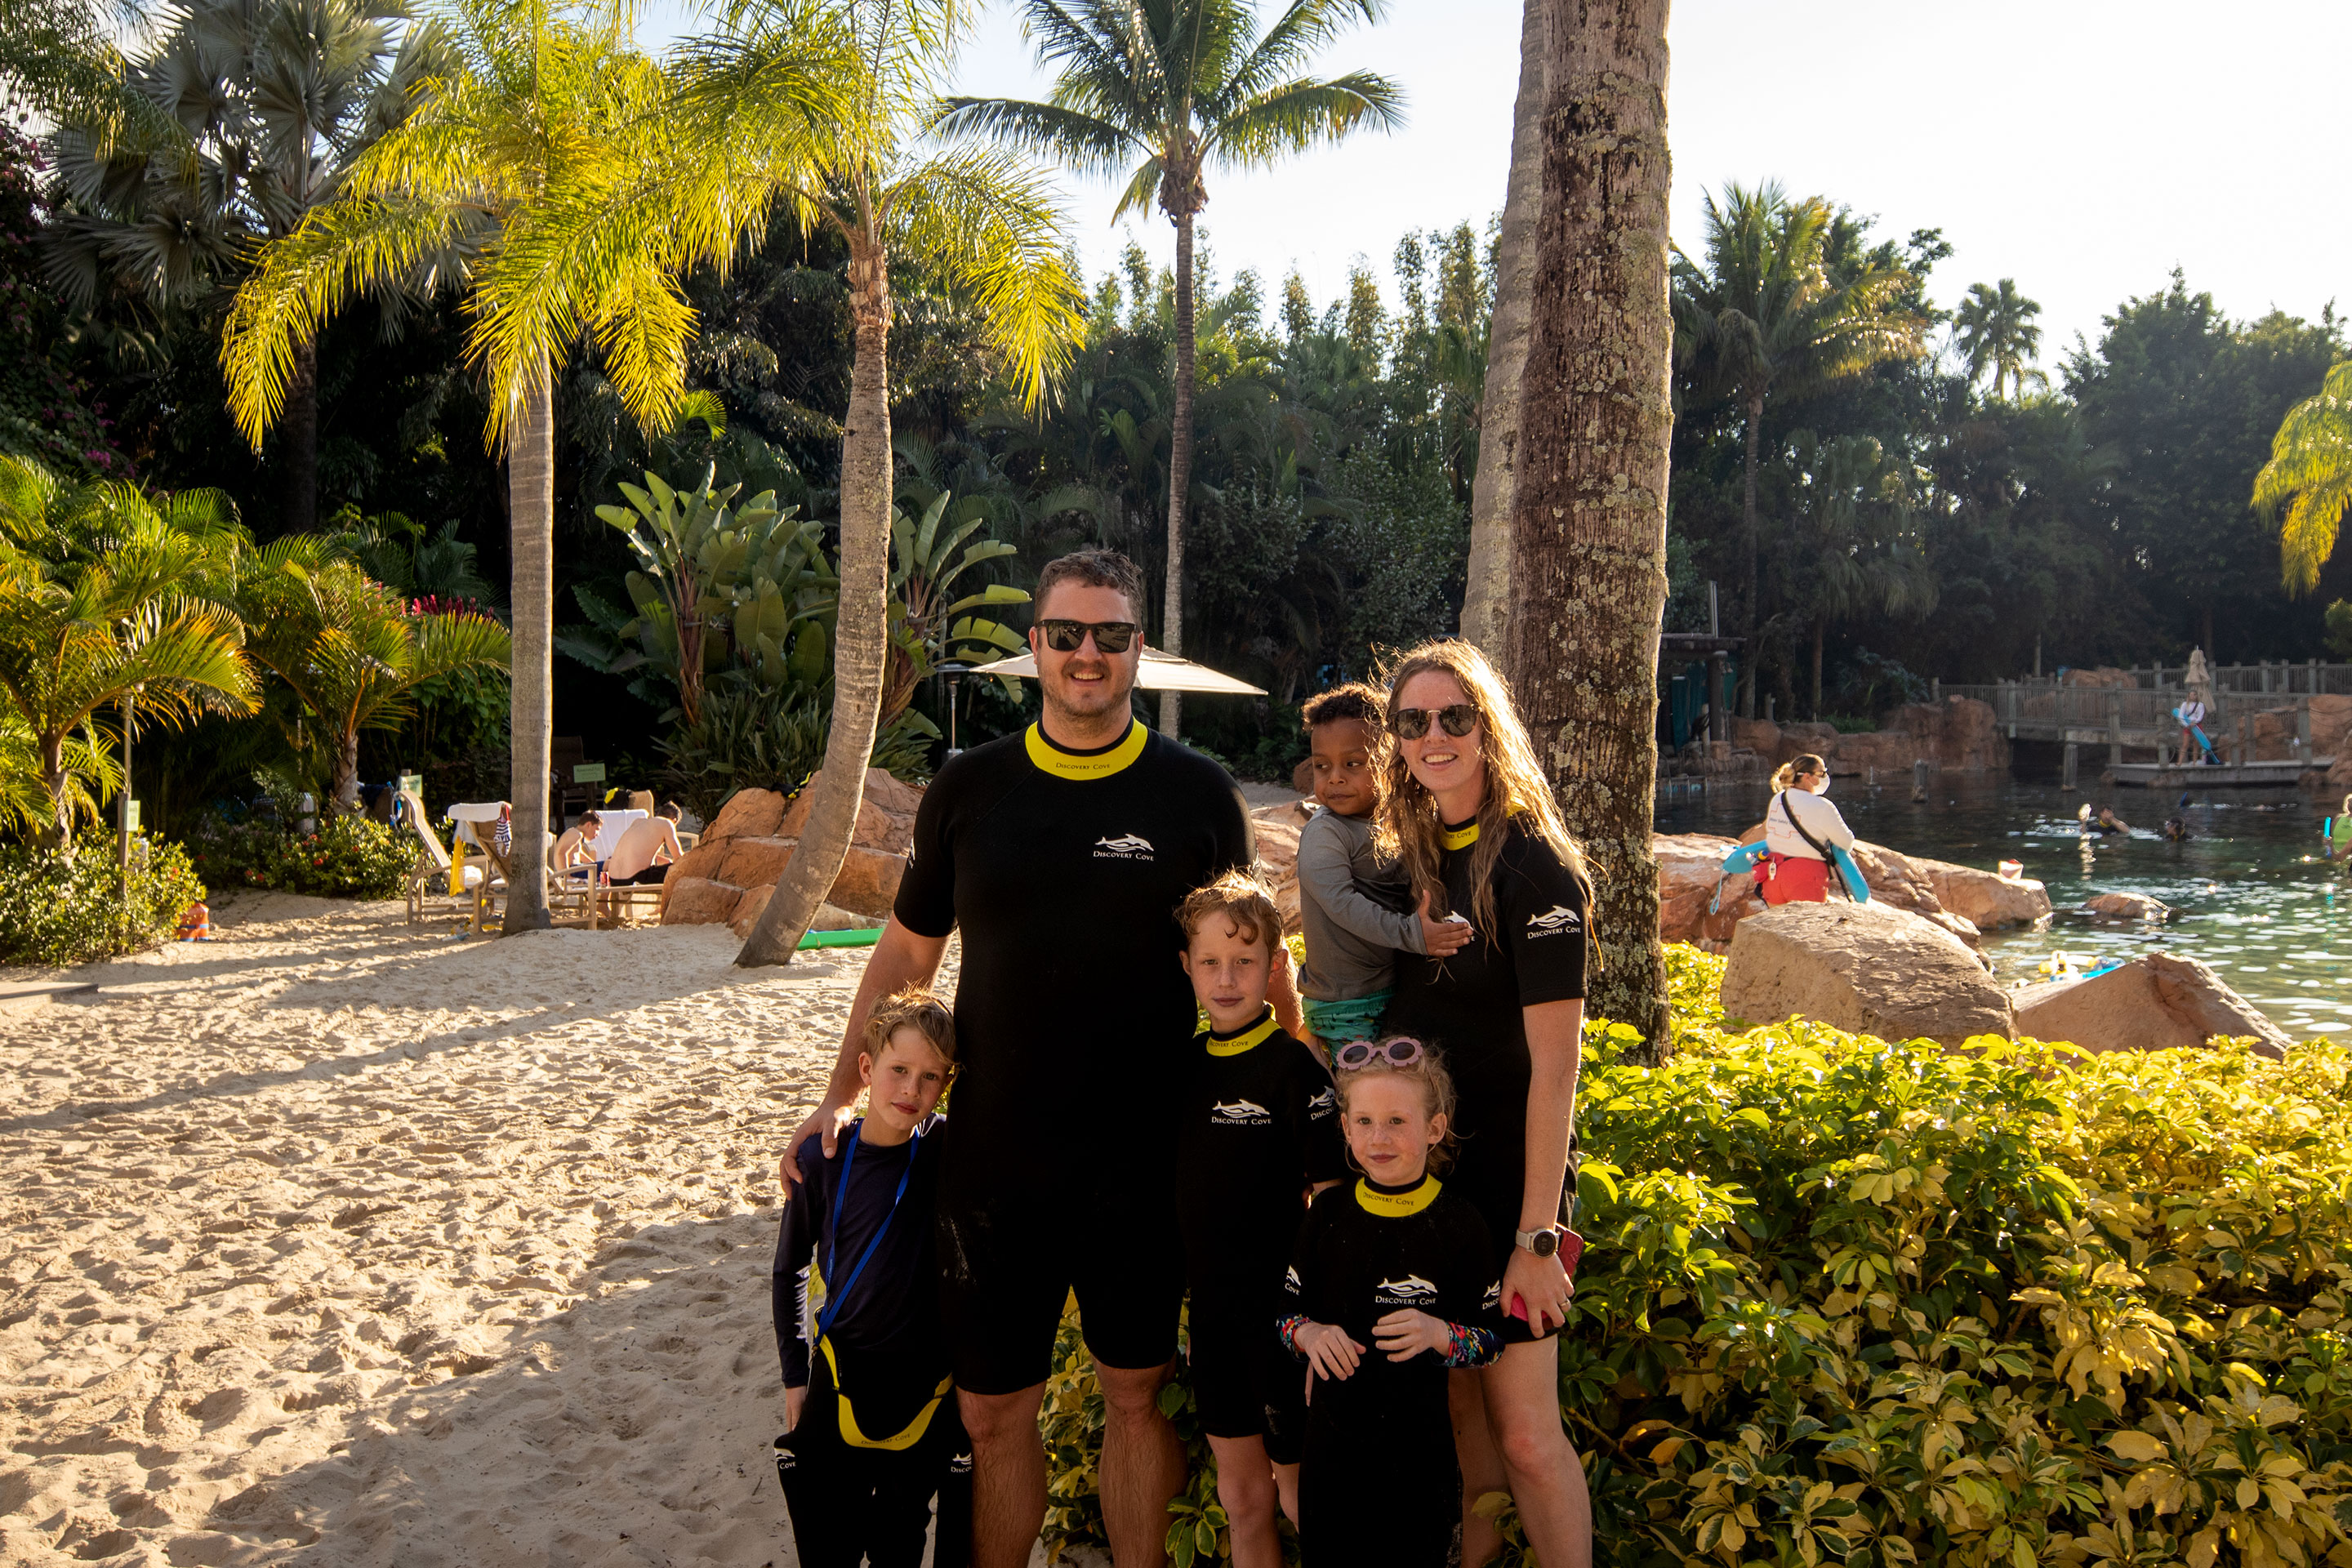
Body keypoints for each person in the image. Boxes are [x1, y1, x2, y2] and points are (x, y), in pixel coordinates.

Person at [779, 548, 1289, 1568]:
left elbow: (1263, 972)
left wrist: (1298, 1120)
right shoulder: (970, 790)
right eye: (1066, 635)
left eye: (1109, 635)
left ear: (1138, 649)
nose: (1087, 654)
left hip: (1143, 1165)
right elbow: (905, 957)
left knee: (1134, 1400)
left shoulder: (1197, 795)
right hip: (995, 1165)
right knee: (991, 1415)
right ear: (1036, 648)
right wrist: (837, 1099)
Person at [1374, 639, 1594, 1568]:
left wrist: (1538, 1238)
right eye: (1413, 721)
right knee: (1462, 1417)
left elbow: (1558, 1071)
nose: (1435, 736)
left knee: (1527, 1434)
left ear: (1488, 728)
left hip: (1516, 1193)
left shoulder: (1536, 870)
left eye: (1455, 717)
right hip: (1434, 1192)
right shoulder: (1412, 861)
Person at [1171, 871, 1345, 1568]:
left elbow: (1333, 1202)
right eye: (1209, 962)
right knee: (1241, 1499)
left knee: (1303, 1498)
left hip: (1286, 1320)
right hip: (1213, 1321)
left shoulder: (1295, 1070)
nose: (1226, 978)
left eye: (1244, 962)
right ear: (1185, 966)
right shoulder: (1182, 1068)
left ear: (1274, 966)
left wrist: (1322, 1317)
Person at [1278, 1039, 1505, 1565]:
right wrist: (1308, 1334)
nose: (1378, 1138)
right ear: (1345, 1128)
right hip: (1331, 1457)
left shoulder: (1460, 1225)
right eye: (1363, 1121)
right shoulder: (1327, 1215)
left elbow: (1492, 1340)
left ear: (1434, 1129)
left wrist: (1440, 1336)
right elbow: (1284, 1317)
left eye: (1397, 1122)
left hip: (1420, 1459)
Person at [773, 988, 969, 1568]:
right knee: (831, 1536)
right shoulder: (822, 1160)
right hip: (841, 1374)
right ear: (866, 1068)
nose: (912, 1091)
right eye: (899, 1070)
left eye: (930, 1078)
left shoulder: (944, 1150)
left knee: (901, 1537)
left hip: (926, 1386)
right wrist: (793, 1372)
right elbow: (789, 1267)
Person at [1294, 685, 1471, 1048]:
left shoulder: (1397, 823)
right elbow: (1342, 904)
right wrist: (1413, 934)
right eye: (1321, 766)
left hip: (1390, 992)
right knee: (1362, 1098)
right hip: (1346, 1006)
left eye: (1353, 764)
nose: (1335, 778)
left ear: (1390, 759)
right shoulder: (1325, 832)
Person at [1742, 755, 1856, 906]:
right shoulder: (1822, 806)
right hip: (1805, 878)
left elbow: (1770, 830)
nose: (1825, 777)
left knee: (1778, 928)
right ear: (1808, 777)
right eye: (1822, 773)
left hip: (1773, 875)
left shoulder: (1778, 799)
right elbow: (1846, 843)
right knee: (1805, 928)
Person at [609, 801, 685, 884]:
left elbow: (640, 857)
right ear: (674, 820)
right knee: (683, 868)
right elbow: (679, 858)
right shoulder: (667, 823)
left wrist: (667, 861)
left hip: (613, 879)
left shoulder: (638, 822)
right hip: (635, 879)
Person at [551, 809, 602, 878]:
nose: (598, 834)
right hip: (572, 871)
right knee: (607, 864)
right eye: (597, 829)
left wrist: (594, 866)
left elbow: (581, 855)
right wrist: (567, 877)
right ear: (588, 824)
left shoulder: (577, 834)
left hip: (574, 870)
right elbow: (561, 853)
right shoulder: (577, 834)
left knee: (602, 873)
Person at [2331, 794, 2352, 862]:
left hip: (2340, 856)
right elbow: (2330, 838)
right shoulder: (2338, 818)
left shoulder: (2338, 818)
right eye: (2350, 801)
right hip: (2336, 854)